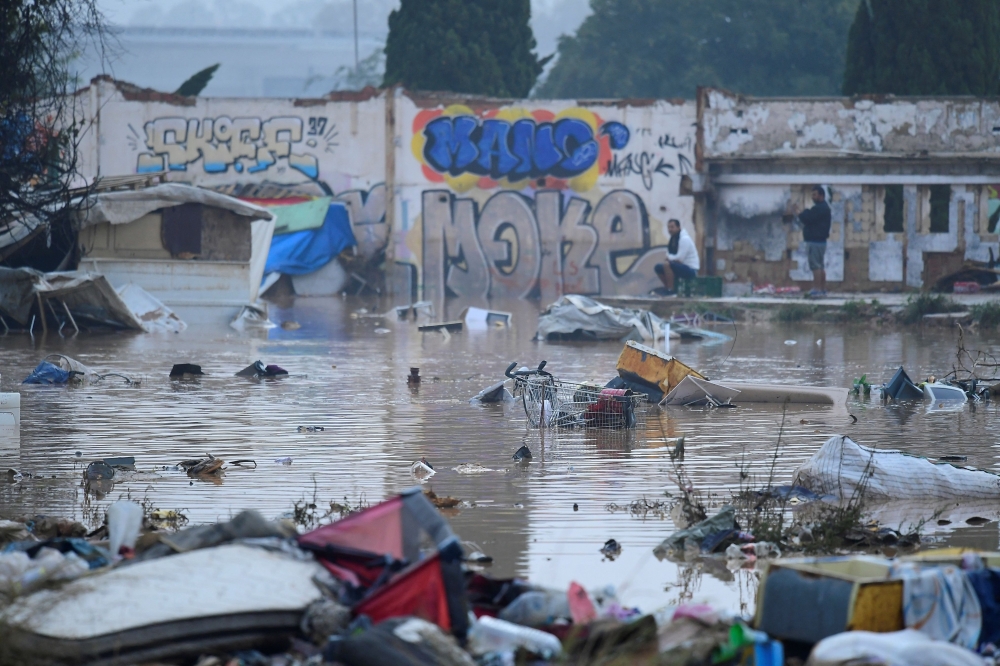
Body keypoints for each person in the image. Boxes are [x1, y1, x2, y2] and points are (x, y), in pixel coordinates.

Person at [789, 185, 831, 297]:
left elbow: (807, 218)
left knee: (815, 266)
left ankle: (817, 289)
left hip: (815, 242)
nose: (813, 197)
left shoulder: (819, 208)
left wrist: (797, 211)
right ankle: (822, 289)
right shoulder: (823, 208)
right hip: (820, 242)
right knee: (820, 266)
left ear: (821, 195)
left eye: (814, 194)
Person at [653, 219, 699, 296]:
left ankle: (671, 291)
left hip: (690, 269)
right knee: (658, 267)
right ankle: (667, 288)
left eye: (672, 227)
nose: (670, 229)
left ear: (678, 227)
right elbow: (670, 255)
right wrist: (671, 258)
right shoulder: (673, 239)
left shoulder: (684, 239)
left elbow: (679, 259)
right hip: (679, 267)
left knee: (667, 265)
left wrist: (670, 258)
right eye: (668, 227)